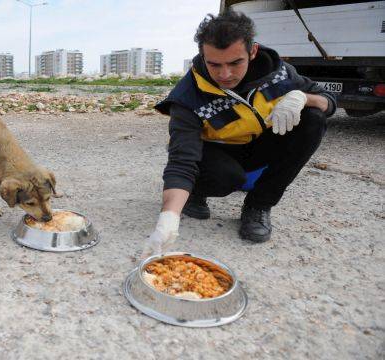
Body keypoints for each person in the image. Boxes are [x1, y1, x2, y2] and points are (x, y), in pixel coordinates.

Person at [142, 10, 336, 256]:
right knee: (228, 178)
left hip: (256, 145)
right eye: (214, 64)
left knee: (313, 119)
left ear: (252, 52)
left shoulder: (279, 73)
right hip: (212, 154)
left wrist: (303, 97)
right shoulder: (188, 95)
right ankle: (195, 193)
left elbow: (329, 102)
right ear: (203, 55)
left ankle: (258, 206)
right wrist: (168, 218)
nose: (225, 75)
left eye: (235, 63)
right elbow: (181, 161)